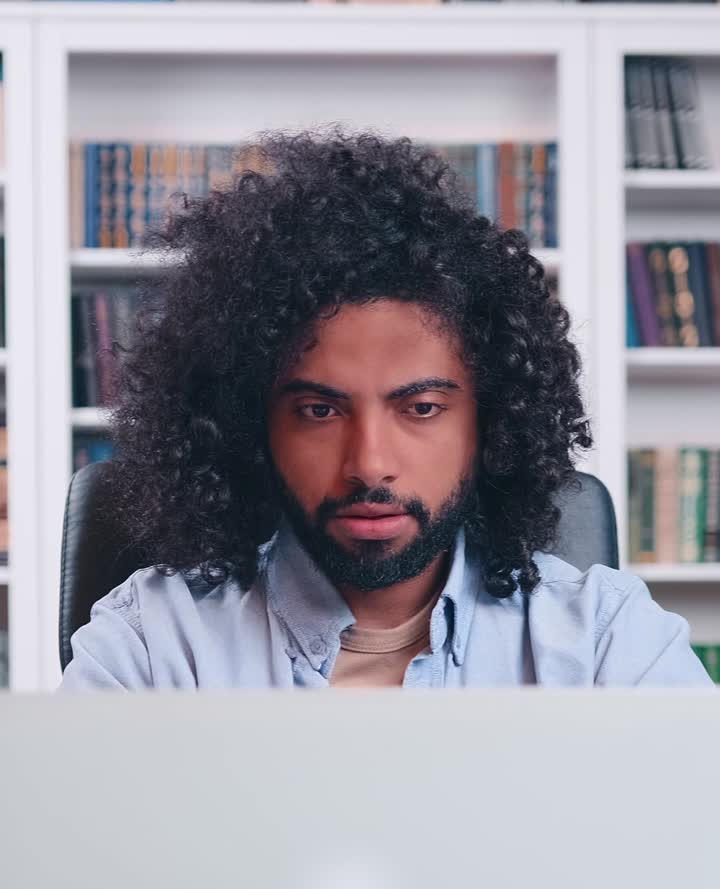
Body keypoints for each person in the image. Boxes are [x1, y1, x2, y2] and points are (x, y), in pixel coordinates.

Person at [61, 128, 712, 690]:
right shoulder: (150, 646)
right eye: (319, 411)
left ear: (492, 422)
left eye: (421, 408)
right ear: (251, 424)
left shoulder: (605, 643)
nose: (369, 465)